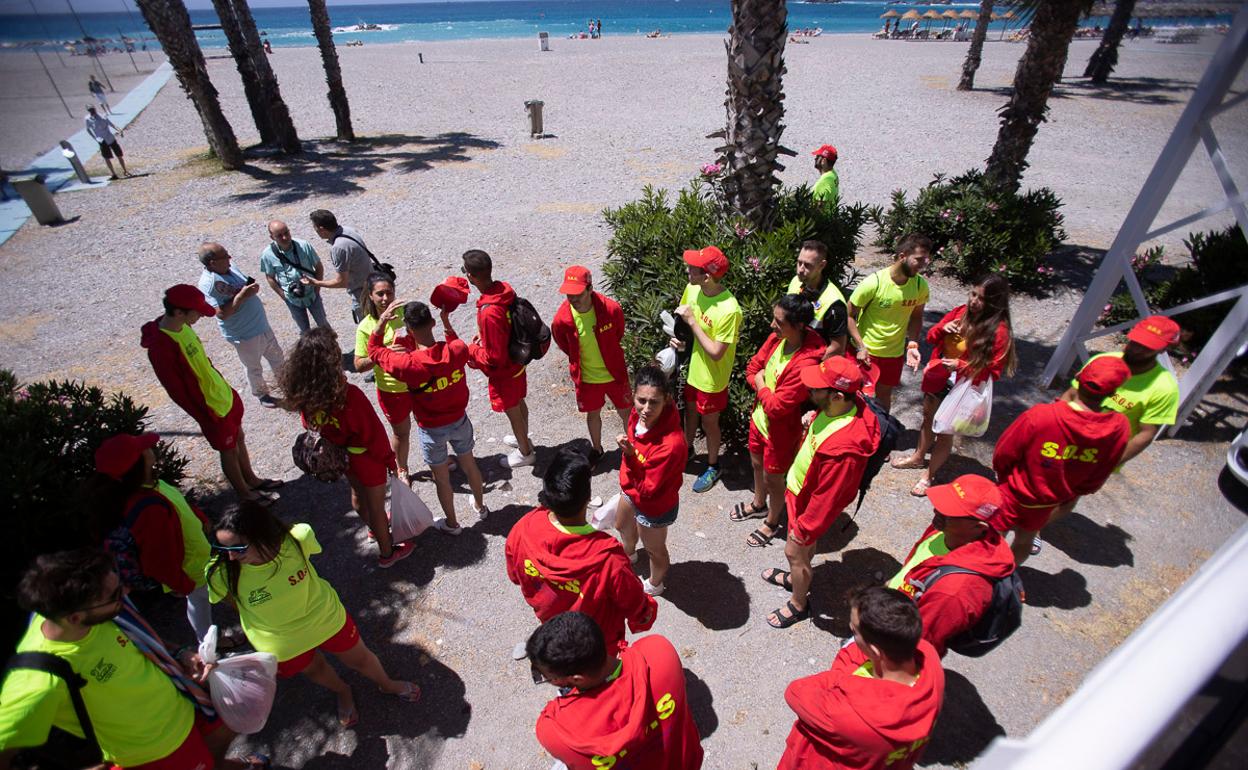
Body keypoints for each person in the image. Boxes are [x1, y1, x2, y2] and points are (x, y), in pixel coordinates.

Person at [0, 548, 267, 769]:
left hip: (184, 699)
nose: (126, 593)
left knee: (229, 726)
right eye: (115, 595)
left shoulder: (85, 612)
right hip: (158, 749)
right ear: (74, 618)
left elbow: (139, 635)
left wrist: (179, 654)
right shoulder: (39, 678)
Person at [206, 502, 419, 728]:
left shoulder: (298, 538)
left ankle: (387, 684)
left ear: (261, 534)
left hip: (325, 618)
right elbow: (234, 603)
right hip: (282, 642)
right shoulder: (220, 572)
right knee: (315, 669)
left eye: (238, 549)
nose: (230, 557)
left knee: (360, 658)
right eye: (223, 549)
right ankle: (342, 690)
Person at [278, 327, 414, 568]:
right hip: (366, 459)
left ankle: (373, 530)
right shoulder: (349, 396)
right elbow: (372, 434)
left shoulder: (307, 397)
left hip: (341, 457)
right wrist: (390, 461)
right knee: (377, 506)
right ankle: (387, 552)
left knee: (357, 496)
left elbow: (308, 424)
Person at [762, 357, 880, 628]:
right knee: (801, 552)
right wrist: (814, 417)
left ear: (838, 396)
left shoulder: (845, 450)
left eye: (816, 389)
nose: (809, 392)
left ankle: (798, 603)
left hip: (809, 504)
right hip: (799, 493)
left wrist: (803, 531)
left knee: (794, 552)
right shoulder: (838, 408)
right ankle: (796, 577)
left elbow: (827, 499)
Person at [1042, 315, 1182, 542]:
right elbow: (1072, 393)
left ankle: (1035, 526)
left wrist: (1110, 462)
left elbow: (1146, 434)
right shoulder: (1105, 360)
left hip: (1097, 454)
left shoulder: (1164, 388)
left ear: (1163, 349)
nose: (1136, 348)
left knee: (1067, 496)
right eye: (1136, 340)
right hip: (1065, 437)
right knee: (1040, 477)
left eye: (1146, 346)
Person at [506, 448, 656, 656]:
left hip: (555, 630)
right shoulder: (607, 557)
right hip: (599, 645)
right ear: (587, 498)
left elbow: (515, 576)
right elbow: (637, 608)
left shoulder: (524, 528)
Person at [777, 586, 945, 770]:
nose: (852, 637)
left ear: (875, 652)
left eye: (854, 632)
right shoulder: (929, 659)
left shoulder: (847, 714)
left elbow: (795, 692)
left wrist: (844, 675)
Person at [82, 432, 226, 643]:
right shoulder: (148, 510)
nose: (151, 449)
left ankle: (208, 641)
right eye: (144, 449)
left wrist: (199, 516)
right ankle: (219, 639)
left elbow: (177, 503)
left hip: (198, 559)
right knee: (221, 595)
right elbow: (157, 559)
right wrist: (181, 584)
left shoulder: (148, 485)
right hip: (193, 568)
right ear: (137, 465)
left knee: (201, 601)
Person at [141, 284, 277, 504]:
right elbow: (177, 391)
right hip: (209, 407)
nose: (199, 316)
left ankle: (252, 479)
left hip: (222, 395)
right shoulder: (161, 346)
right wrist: (204, 414)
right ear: (178, 312)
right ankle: (245, 494)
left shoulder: (182, 326)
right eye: (195, 312)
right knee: (228, 449)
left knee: (239, 438)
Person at [990, 356, 1133, 564]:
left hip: (1013, 491)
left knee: (994, 537)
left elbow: (1004, 452)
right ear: (1113, 393)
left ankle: (985, 573)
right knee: (1024, 540)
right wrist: (1074, 492)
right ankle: (1005, 573)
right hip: (1048, 502)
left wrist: (1004, 477)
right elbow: (1103, 468)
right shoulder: (1118, 428)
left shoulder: (1042, 415)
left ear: (1078, 377)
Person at [527, 612, 704, 770]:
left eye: (549, 678)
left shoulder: (556, 731)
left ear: (576, 679)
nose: (548, 680)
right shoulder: (659, 652)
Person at [369, 299, 489, 532]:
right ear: (432, 322)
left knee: (442, 479)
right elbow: (456, 343)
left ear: (410, 330)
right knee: (470, 465)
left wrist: (382, 323)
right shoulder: (456, 350)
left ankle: (453, 524)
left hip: (431, 428)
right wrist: (446, 323)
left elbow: (374, 351)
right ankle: (481, 507)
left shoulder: (408, 364)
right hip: (460, 420)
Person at [892, 275, 1016, 496]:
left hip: (963, 388)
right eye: (973, 294)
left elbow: (994, 371)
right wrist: (942, 328)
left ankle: (929, 476)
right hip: (939, 377)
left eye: (982, 299)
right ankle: (918, 457)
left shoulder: (999, 331)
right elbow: (930, 338)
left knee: (945, 431)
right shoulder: (960, 312)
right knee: (929, 419)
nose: (974, 301)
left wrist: (962, 365)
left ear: (995, 303)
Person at [888, 474, 1015, 657]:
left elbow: (917, 646)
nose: (936, 511)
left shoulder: (955, 591)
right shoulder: (944, 530)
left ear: (980, 527)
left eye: (950, 510)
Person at [735, 294, 824, 541]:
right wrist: (763, 386)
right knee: (756, 464)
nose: (772, 326)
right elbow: (752, 368)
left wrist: (762, 382)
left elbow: (777, 408)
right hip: (759, 419)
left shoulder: (807, 363)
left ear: (798, 326)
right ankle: (758, 503)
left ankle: (772, 521)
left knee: (773, 478)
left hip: (781, 431)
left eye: (779, 322)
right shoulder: (777, 338)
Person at [461, 248, 537, 468]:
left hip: (504, 372)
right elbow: (506, 326)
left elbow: (494, 357)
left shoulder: (488, 310)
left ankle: (525, 452)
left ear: (471, 276)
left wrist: (472, 351)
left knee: (512, 410)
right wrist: (485, 337)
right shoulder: (503, 291)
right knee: (519, 402)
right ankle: (524, 437)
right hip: (517, 361)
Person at [675, 246, 742, 492]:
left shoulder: (729, 309)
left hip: (712, 379)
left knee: (709, 423)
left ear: (707, 276)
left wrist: (693, 322)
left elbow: (716, 352)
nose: (687, 269)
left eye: (693, 268)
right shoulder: (693, 289)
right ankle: (688, 449)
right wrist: (678, 337)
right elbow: (682, 323)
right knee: (689, 413)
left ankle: (713, 465)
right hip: (692, 369)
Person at [616, 365, 688, 596]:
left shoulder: (671, 444)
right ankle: (629, 555)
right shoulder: (637, 417)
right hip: (631, 488)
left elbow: (649, 488)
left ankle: (655, 583)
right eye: (641, 400)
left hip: (654, 506)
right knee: (622, 525)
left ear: (667, 399)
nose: (645, 409)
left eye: (653, 402)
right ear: (634, 395)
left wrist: (629, 457)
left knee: (655, 551)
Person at [551, 265, 631, 464]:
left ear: (590, 289)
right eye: (569, 294)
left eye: (577, 293)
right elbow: (562, 342)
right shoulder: (562, 319)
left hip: (614, 375)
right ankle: (597, 449)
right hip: (587, 378)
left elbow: (618, 332)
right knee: (592, 415)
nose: (573, 299)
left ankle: (633, 447)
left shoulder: (610, 309)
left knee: (626, 413)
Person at [846, 234, 932, 412]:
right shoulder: (874, 283)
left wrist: (913, 344)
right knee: (859, 395)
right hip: (867, 353)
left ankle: (882, 431)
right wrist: (861, 346)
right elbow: (848, 315)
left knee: (884, 394)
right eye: (919, 259)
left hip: (894, 355)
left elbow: (916, 316)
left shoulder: (919, 286)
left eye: (926, 259)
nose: (924, 264)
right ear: (903, 256)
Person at [197, 241, 285, 409]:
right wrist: (242, 296)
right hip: (244, 334)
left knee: (277, 357)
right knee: (253, 366)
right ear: (212, 263)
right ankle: (262, 394)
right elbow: (221, 314)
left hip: (261, 324)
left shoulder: (230, 267)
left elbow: (243, 285)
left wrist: (250, 289)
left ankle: (286, 385)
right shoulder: (208, 284)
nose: (230, 258)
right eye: (225, 256)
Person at [353, 273, 412, 483]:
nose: (385, 298)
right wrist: (384, 352)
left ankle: (437, 461)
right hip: (392, 390)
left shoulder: (405, 313)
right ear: (370, 295)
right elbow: (358, 365)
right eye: (380, 294)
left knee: (429, 426)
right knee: (402, 433)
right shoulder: (366, 327)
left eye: (389, 292)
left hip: (417, 383)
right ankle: (402, 468)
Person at [259, 219, 334, 337]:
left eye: (286, 233)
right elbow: (270, 277)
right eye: (279, 236)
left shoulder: (303, 246)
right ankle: (311, 354)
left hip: (312, 294)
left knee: (323, 325)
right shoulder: (268, 255)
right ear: (272, 237)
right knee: (305, 332)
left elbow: (319, 267)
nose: (284, 237)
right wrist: (283, 295)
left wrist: (317, 288)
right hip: (292, 299)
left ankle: (334, 352)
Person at [304, 209, 374, 325]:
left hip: (362, 294)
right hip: (372, 283)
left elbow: (341, 282)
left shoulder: (339, 248)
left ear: (321, 229)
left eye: (315, 227)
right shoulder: (348, 230)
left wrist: (316, 282)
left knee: (369, 330)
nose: (315, 231)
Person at [787, 240, 848, 355]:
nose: (800, 269)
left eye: (807, 265)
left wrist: (812, 368)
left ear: (822, 265)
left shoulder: (834, 302)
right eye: (799, 263)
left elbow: (837, 348)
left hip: (812, 361)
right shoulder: (795, 282)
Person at [84, 105, 129, 179]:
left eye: (93, 109)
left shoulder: (103, 116)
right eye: (90, 110)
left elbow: (111, 124)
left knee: (119, 155)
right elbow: (88, 129)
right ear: (88, 111)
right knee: (106, 157)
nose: (92, 111)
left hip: (110, 138)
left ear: (95, 109)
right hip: (101, 140)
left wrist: (119, 130)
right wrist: (94, 138)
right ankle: (113, 174)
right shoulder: (88, 119)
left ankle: (125, 170)